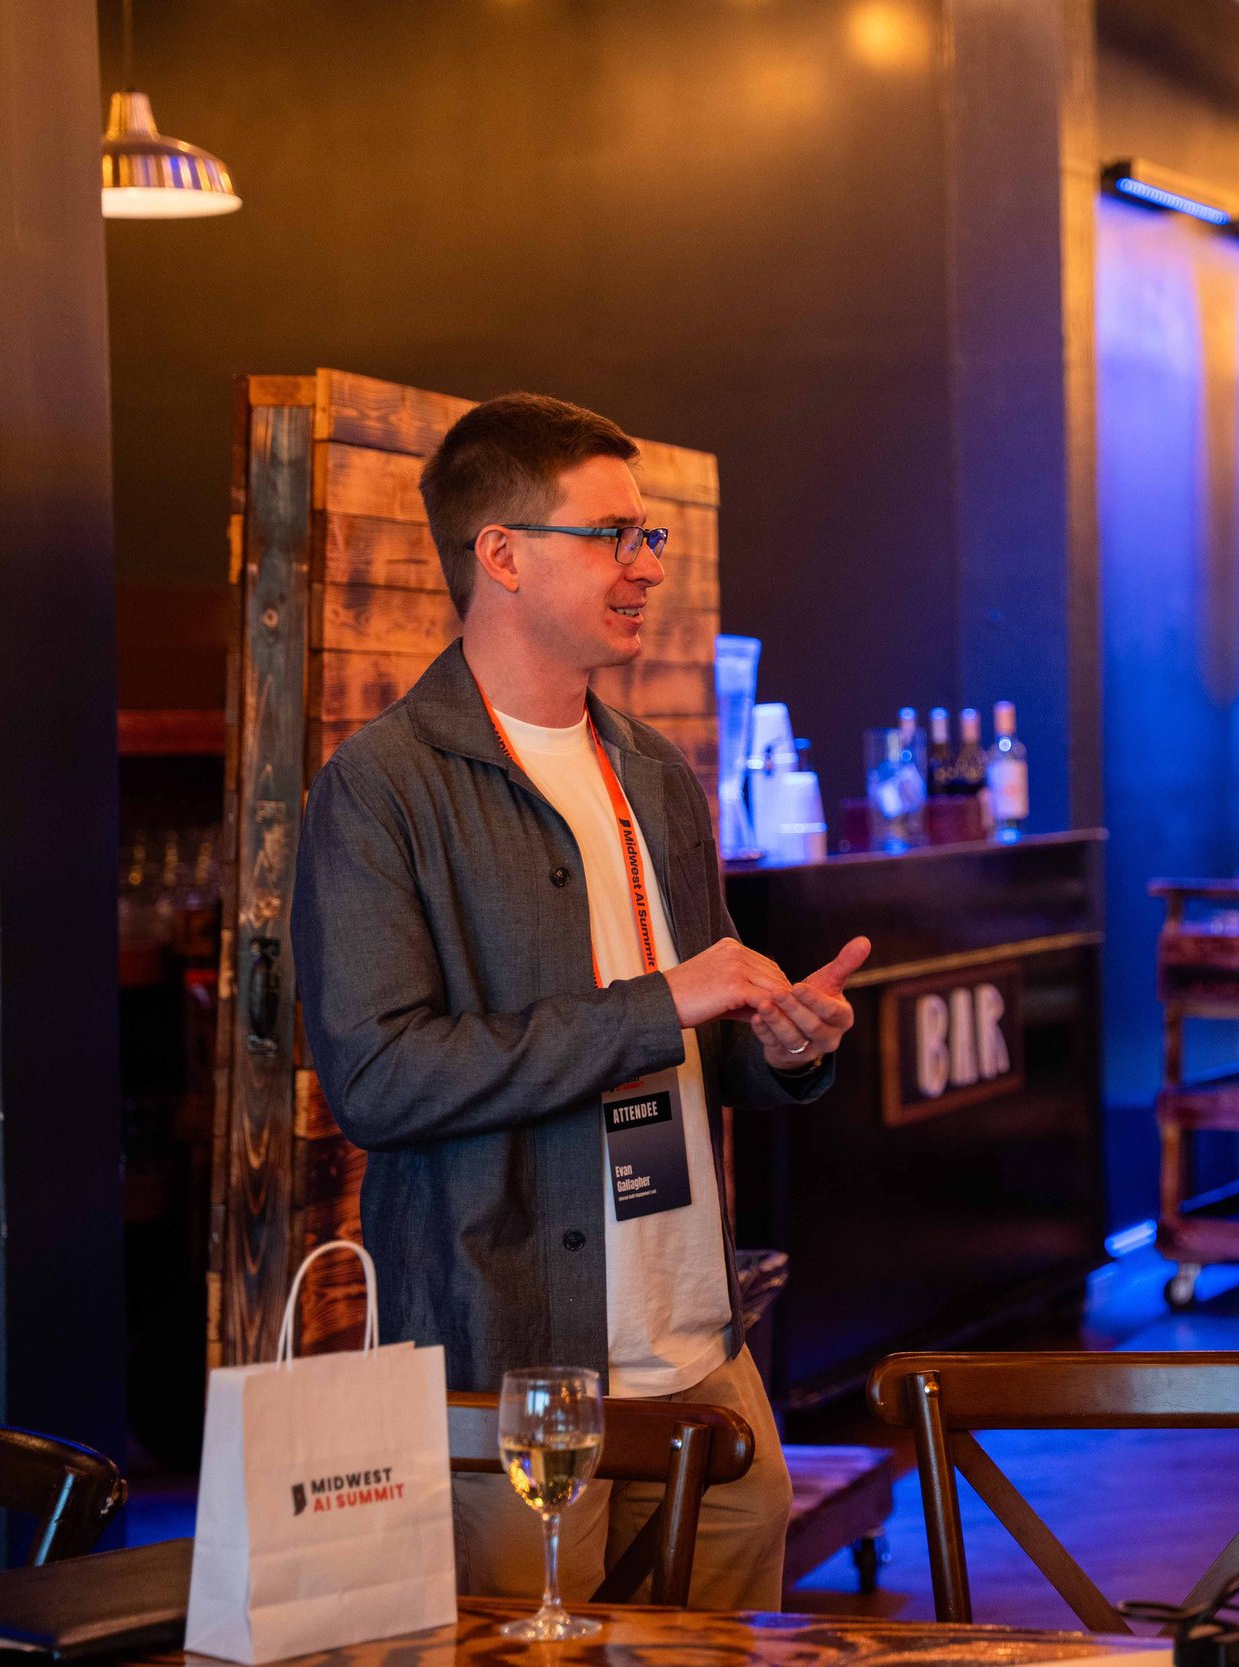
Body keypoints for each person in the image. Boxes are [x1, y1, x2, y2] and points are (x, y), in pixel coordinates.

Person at [291, 392, 869, 1608]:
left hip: (700, 1349)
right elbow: (380, 1078)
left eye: (649, 536)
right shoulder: (382, 785)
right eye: (614, 534)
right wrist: (659, 1002)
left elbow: (697, 1033)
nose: (646, 565)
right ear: (500, 553)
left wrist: (787, 1045)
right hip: (509, 1364)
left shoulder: (655, 771)